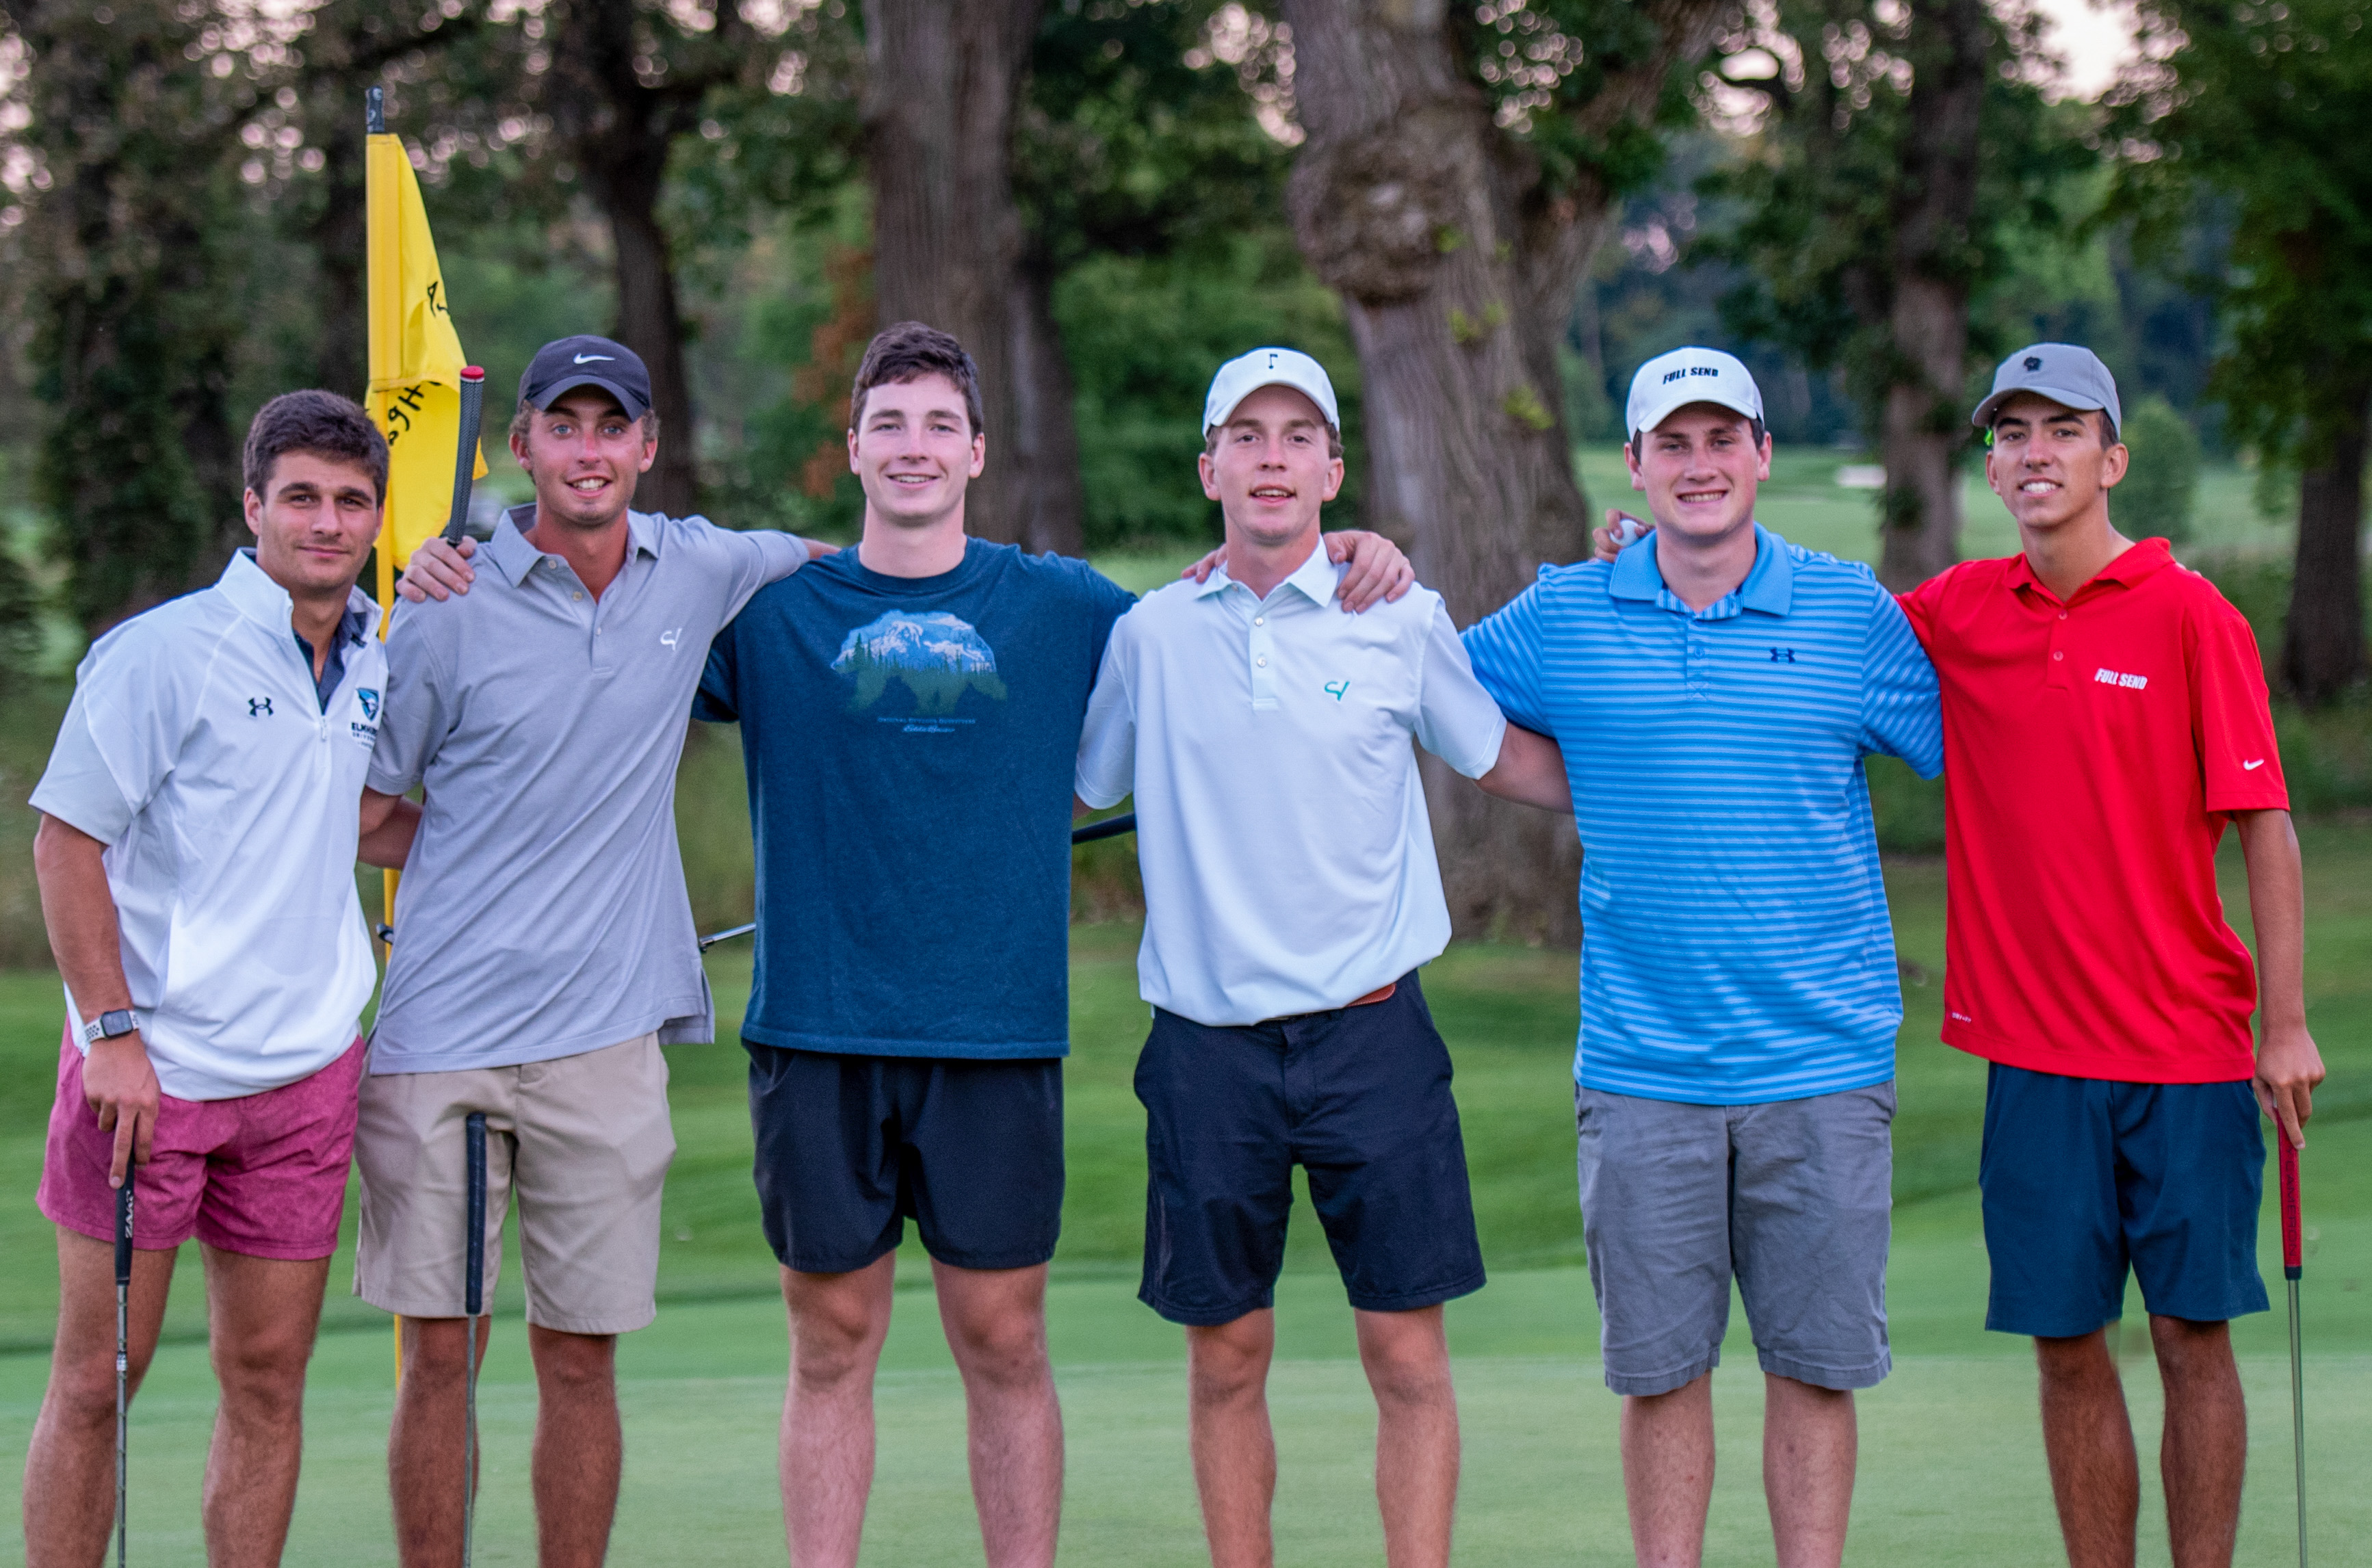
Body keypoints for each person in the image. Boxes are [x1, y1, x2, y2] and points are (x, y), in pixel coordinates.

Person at [692, 322, 1413, 1568]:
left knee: (1006, 1346)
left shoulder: (1065, 607)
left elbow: (1227, 617)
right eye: (888, 424)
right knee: (829, 1348)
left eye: (936, 425)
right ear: (851, 449)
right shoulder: (768, 619)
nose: (912, 447)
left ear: (975, 450)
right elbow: (600, 636)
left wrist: (1337, 543)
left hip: (993, 1033)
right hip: (817, 1030)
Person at [1070, 348, 1565, 1567]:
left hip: (1372, 1037)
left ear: (1334, 468)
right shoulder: (1152, 633)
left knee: (1405, 1354)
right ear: (1210, 469)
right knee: (1224, 1356)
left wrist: (1664, 799)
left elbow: (1498, 757)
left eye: (1299, 435)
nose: (1273, 456)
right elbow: (1083, 783)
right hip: (1204, 1052)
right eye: (1247, 435)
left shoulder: (1397, 613)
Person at [354, 335, 835, 1568]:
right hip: (440, 1042)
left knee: (580, 1358)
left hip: (605, 1047)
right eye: (562, 426)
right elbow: (361, 802)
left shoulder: (702, 568)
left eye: (609, 426)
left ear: (646, 446)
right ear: (521, 445)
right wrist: (481, 843)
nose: (588, 449)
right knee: (440, 1358)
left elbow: (869, 558)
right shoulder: (443, 606)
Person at [1461, 346, 1944, 1568]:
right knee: (1662, 1374)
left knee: (1814, 1370)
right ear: (1632, 464)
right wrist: (1334, 567)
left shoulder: (1844, 612)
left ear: (1762, 455)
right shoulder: (1570, 611)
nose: (1698, 466)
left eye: (1721, 439)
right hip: (1641, 1070)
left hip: (1822, 1065)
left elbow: (1984, 740)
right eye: (1670, 444)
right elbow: (1430, 696)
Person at [1898, 345, 2324, 1568]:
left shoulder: (2193, 616)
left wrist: (2281, 1023)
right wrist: (1644, 559)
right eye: (2010, 432)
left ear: (2110, 458)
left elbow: (2267, 826)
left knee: (2194, 1337)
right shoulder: (1959, 610)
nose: (2033, 452)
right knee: (2066, 1345)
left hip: (2185, 1052)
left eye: (2061, 430)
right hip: (2031, 1059)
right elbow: (1823, 623)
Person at [21, 391, 421, 1567]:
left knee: (266, 1379)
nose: (328, 522)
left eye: (352, 502)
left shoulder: (379, 661)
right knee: (103, 1378)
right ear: (254, 508)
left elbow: (350, 821)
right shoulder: (164, 654)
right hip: (152, 1078)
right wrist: (111, 1034)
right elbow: (65, 842)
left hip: (306, 1078)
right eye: (301, 497)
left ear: (376, 519)